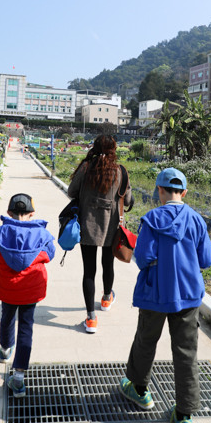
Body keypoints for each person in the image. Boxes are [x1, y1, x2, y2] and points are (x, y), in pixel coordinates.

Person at [120, 167, 211, 423]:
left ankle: (139, 391)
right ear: (184, 192)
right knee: (186, 351)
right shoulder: (196, 220)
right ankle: (184, 416)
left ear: (159, 190)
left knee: (145, 340)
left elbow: (143, 257)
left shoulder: (151, 219)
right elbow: (206, 259)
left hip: (154, 294)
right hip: (187, 295)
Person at [0, 193, 55, 398]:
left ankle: (6, 348)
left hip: (8, 287)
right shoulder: (42, 234)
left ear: (9, 212)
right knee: (26, 326)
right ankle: (18, 378)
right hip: (31, 288)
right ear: (32, 214)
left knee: (7, 317)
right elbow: (49, 255)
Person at [67, 134, 132, 333]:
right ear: (114, 149)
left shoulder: (86, 168)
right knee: (108, 264)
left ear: (94, 147)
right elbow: (127, 200)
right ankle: (105, 299)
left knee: (89, 271)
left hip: (86, 225)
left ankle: (91, 318)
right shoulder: (120, 171)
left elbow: (71, 192)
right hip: (111, 228)